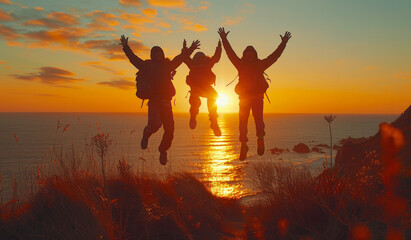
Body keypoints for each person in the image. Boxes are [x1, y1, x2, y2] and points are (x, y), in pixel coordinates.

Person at [120, 35, 200, 165]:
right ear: (152, 55)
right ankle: (146, 134)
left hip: (166, 102)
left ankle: (163, 150)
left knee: (170, 130)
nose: (159, 56)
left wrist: (190, 49)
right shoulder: (147, 66)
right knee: (156, 124)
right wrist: (125, 46)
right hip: (154, 102)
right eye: (156, 54)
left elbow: (180, 59)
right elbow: (133, 59)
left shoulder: (168, 65)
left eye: (160, 54)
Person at [217, 27, 291, 160]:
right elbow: (274, 57)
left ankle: (245, 144)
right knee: (257, 120)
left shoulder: (241, 64)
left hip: (246, 98)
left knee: (243, 122)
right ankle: (259, 138)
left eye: (250, 53)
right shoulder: (259, 64)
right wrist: (283, 43)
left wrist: (224, 39)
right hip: (255, 98)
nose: (249, 55)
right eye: (248, 53)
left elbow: (230, 54)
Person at [183, 40, 222, 136]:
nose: (201, 60)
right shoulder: (195, 65)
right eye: (199, 59)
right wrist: (187, 49)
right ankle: (197, 117)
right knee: (196, 102)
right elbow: (185, 58)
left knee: (211, 98)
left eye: (202, 58)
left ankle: (213, 121)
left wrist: (219, 48)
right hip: (197, 88)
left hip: (202, 88)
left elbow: (215, 58)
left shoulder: (201, 65)